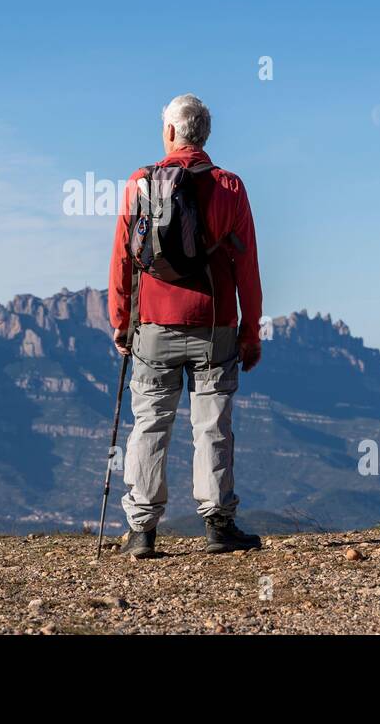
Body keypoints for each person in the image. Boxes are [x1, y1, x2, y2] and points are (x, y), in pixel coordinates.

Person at [108, 93, 263, 558]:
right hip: (215, 324)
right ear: (205, 134)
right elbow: (247, 267)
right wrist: (250, 331)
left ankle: (141, 530)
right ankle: (218, 525)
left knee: (150, 424)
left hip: (153, 325)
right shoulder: (231, 187)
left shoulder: (140, 183)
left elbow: (122, 260)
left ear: (171, 132)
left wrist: (121, 324)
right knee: (212, 425)